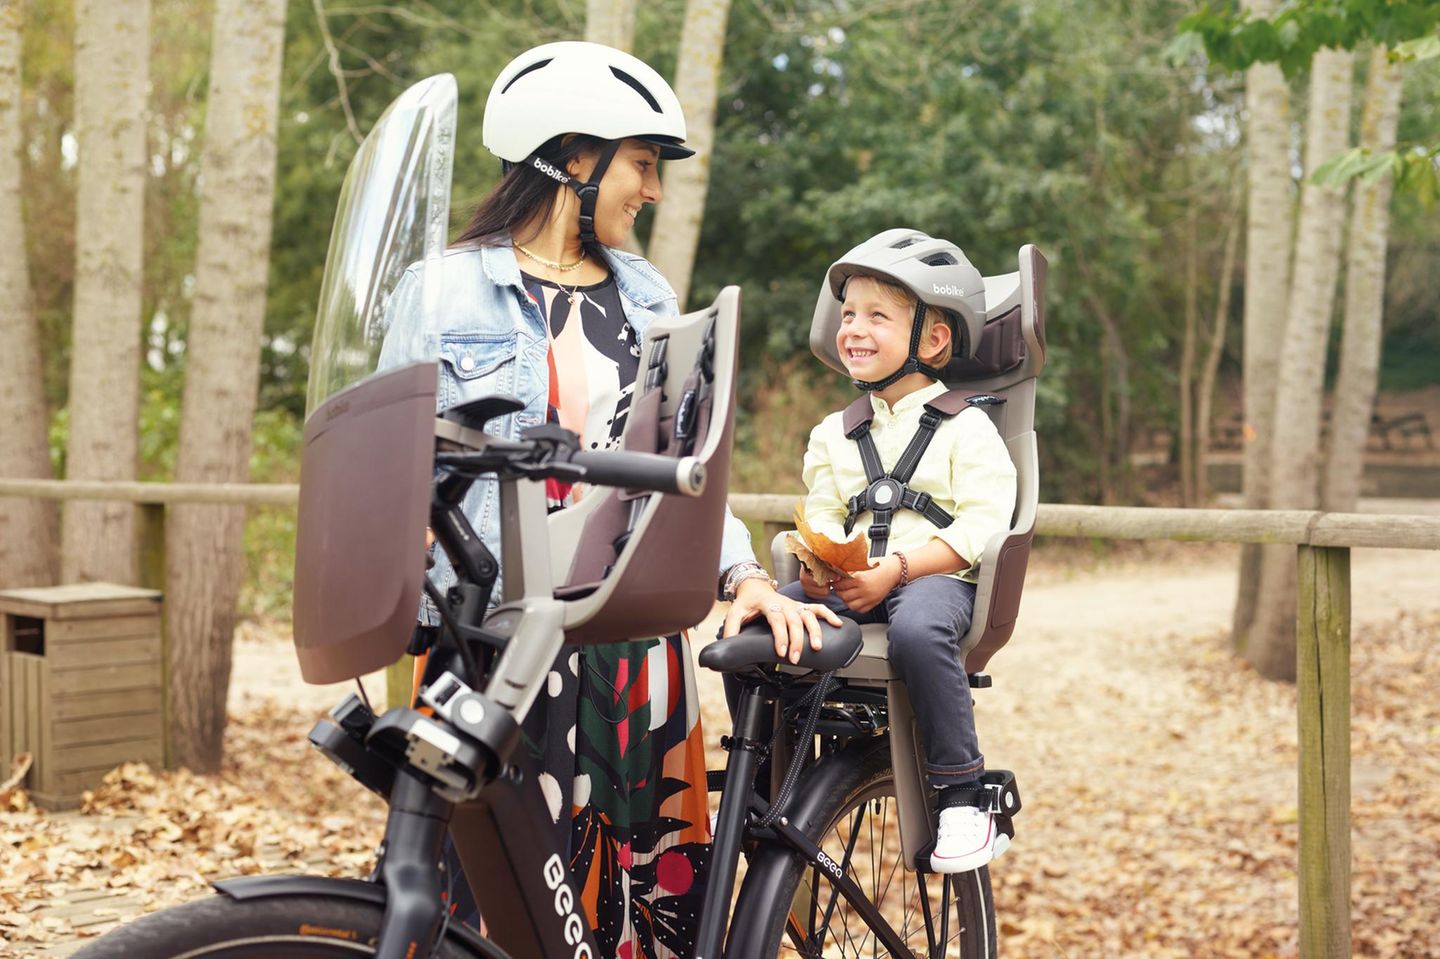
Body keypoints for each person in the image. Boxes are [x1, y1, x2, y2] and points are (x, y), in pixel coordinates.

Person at [377, 40, 838, 958]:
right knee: (485, 909)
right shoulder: (440, 292)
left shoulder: (646, 297)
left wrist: (741, 571)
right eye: (642, 163)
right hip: (503, 647)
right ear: (572, 157)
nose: (653, 189)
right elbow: (393, 472)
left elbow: (681, 461)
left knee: (640, 909)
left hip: (635, 656)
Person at [783, 228, 1018, 873]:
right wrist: (824, 566)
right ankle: (777, 767)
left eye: (876, 316)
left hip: (937, 580)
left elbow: (984, 526)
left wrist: (899, 569)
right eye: (848, 313)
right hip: (858, 582)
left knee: (917, 630)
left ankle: (964, 792)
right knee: (769, 618)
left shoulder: (967, 427)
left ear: (933, 340)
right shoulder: (835, 433)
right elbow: (825, 510)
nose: (853, 328)